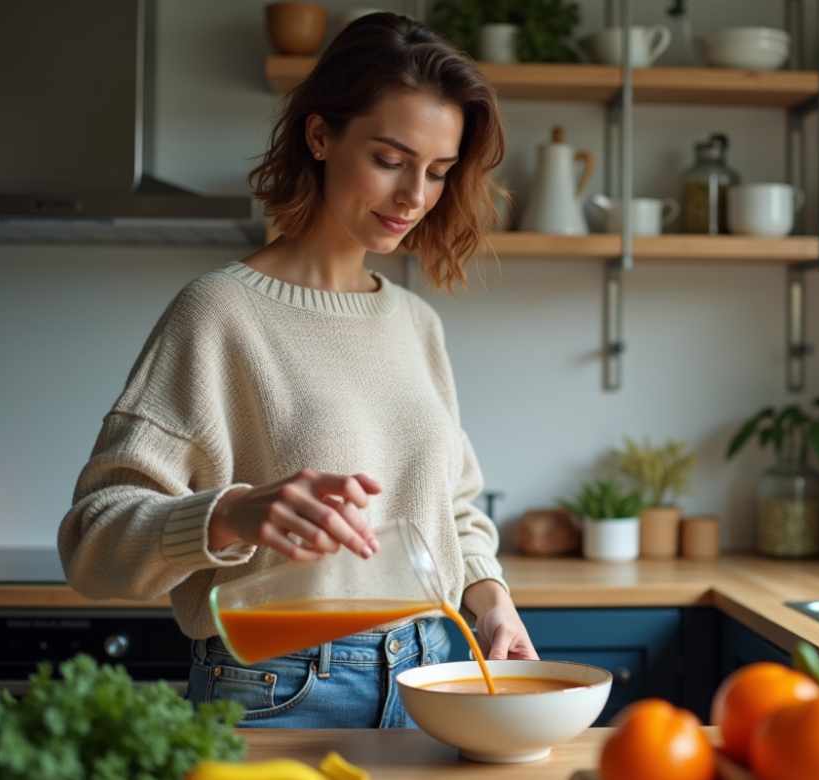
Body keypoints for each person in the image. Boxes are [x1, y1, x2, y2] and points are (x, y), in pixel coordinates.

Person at [58, 12, 537, 729]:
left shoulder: (416, 325)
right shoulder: (220, 314)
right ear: (320, 136)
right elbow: (92, 542)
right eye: (390, 159)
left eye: (438, 172)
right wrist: (230, 514)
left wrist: (492, 597)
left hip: (436, 672)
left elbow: (455, 510)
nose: (415, 196)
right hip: (282, 687)